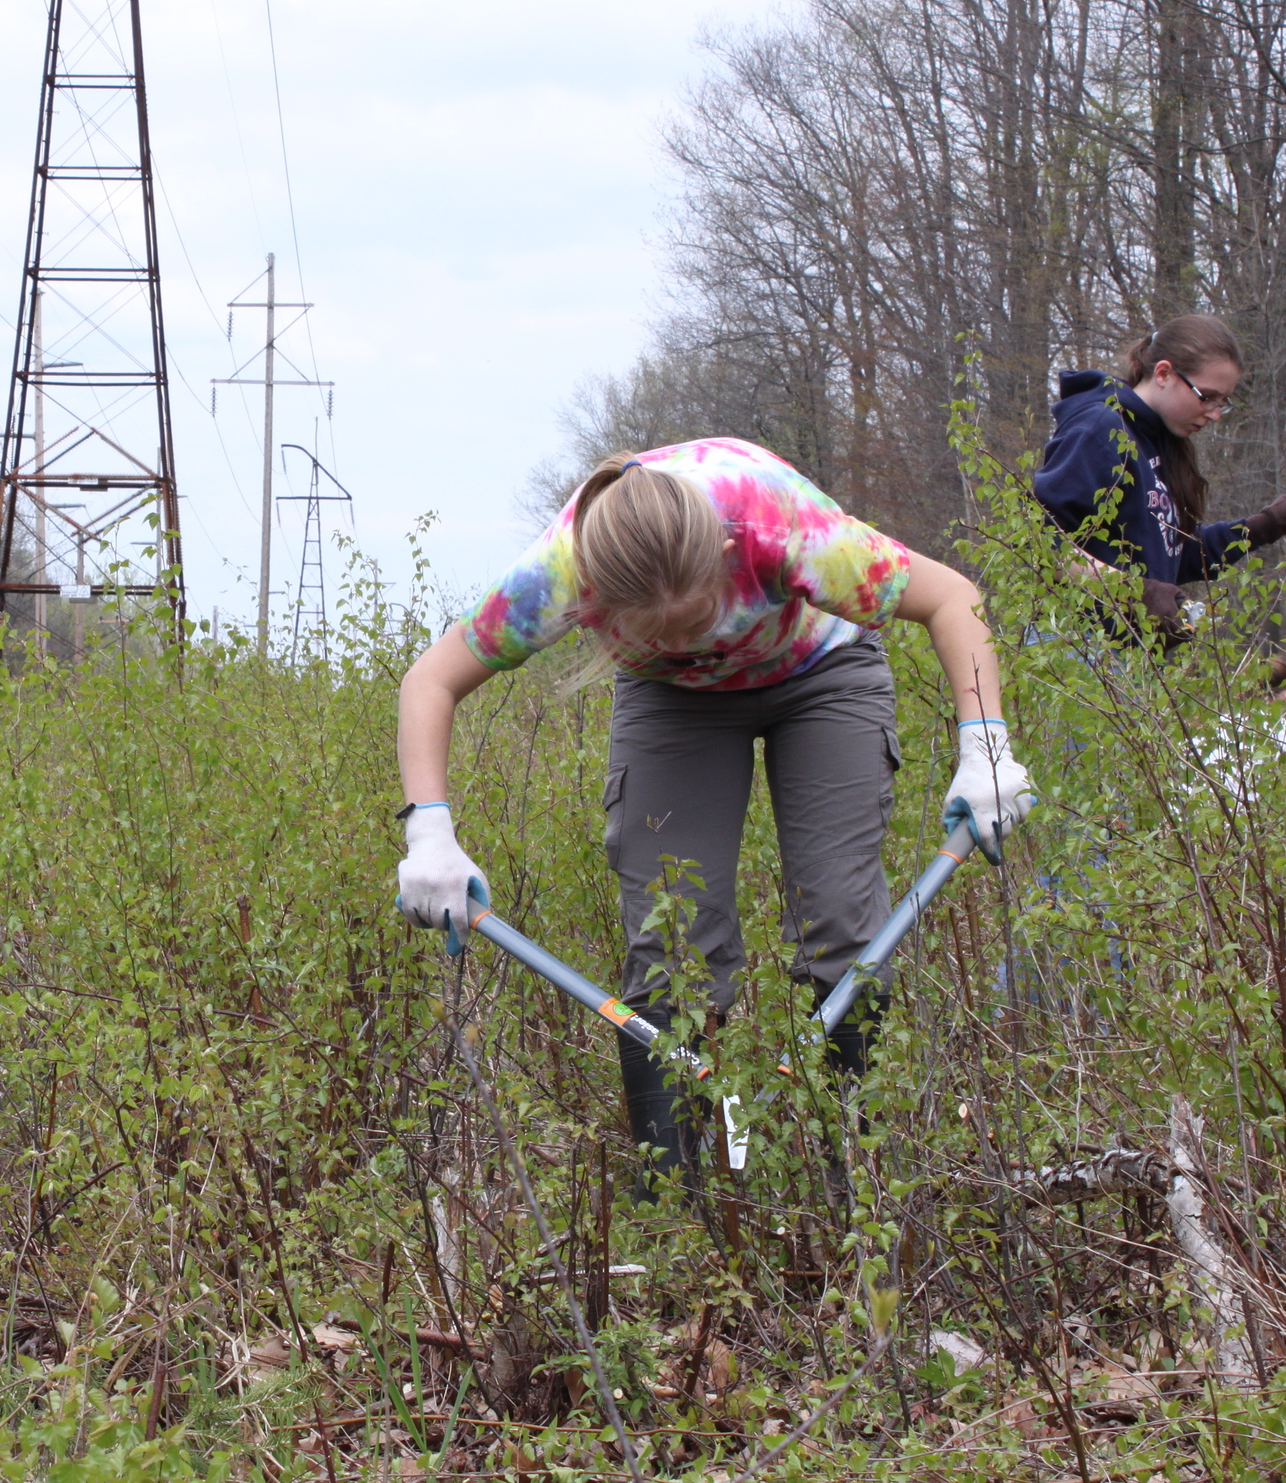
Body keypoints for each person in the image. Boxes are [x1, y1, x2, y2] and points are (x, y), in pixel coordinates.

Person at [395, 438, 1030, 1192]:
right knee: (671, 944)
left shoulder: (777, 525)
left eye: (695, 619)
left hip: (821, 673)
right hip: (671, 705)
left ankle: (854, 1192)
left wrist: (985, 743)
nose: (688, 644)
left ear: (730, 554)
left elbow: (951, 596)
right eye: (657, 633)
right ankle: (678, 1207)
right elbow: (431, 680)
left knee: (843, 925)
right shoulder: (562, 571)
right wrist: (428, 830)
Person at [1031, 314, 1286, 642]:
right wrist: (1135, 591)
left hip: (1134, 662)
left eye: (1222, 403)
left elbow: (1174, 557)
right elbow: (1039, 542)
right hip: (1074, 649)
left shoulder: (1160, 443)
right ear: (1163, 373)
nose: (1214, 413)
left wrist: (1265, 525)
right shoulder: (1100, 429)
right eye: (1206, 396)